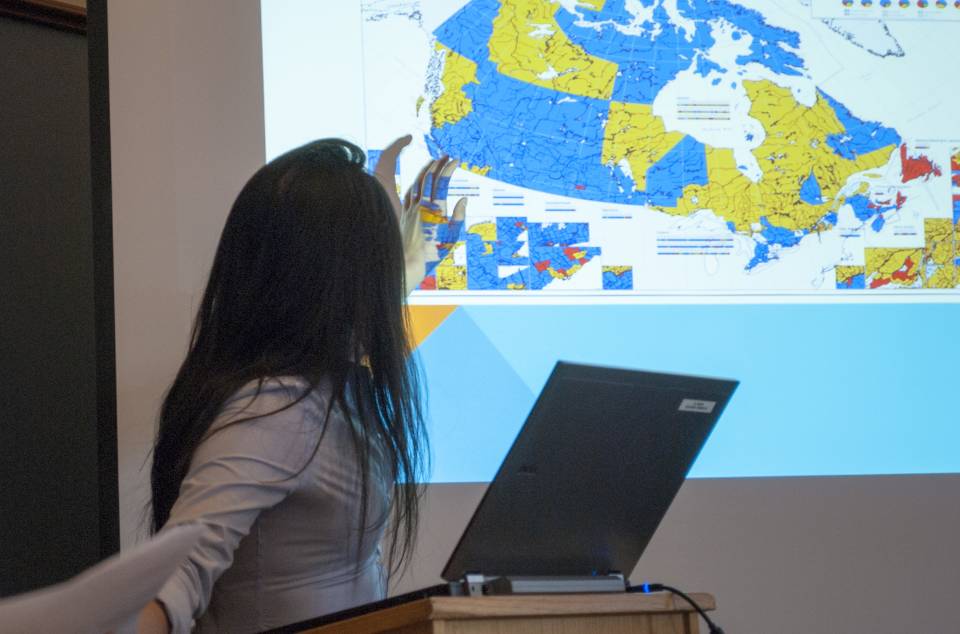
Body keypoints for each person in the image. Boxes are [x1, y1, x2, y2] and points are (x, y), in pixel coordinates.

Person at [136, 136, 464, 633]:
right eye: (377, 266)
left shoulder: (321, 392)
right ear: (339, 280)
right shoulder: (279, 410)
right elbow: (178, 577)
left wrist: (401, 272)